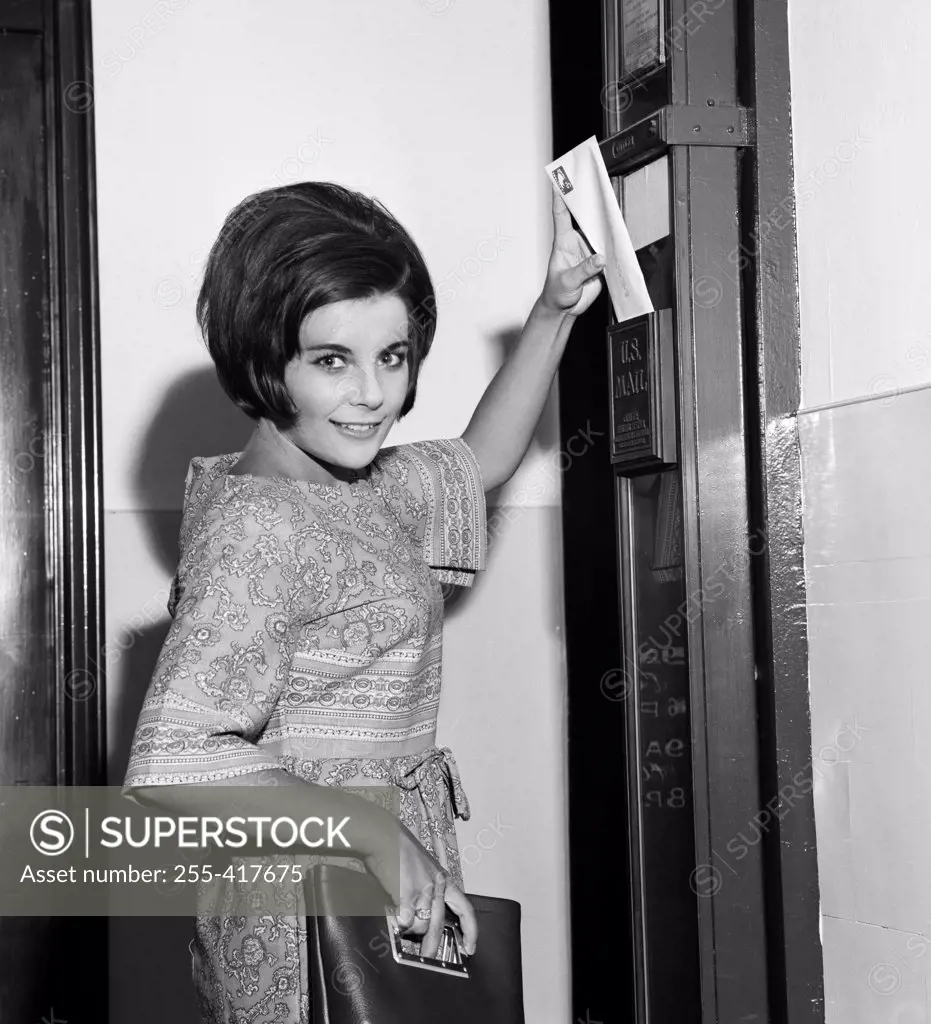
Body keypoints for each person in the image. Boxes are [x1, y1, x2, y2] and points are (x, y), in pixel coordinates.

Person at [121, 179, 604, 1023]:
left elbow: (475, 462)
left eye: (393, 355)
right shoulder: (261, 525)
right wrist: (374, 831)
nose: (373, 395)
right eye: (332, 360)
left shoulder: (350, 484)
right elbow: (173, 760)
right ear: (264, 360)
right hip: (303, 902)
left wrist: (553, 311)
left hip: (372, 873)